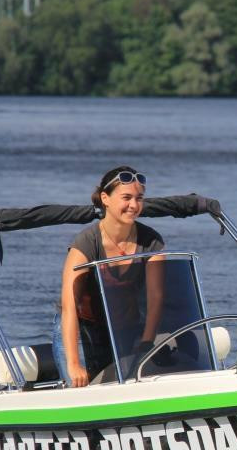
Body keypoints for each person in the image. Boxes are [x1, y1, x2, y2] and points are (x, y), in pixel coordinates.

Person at [52, 166, 165, 387]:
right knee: (82, 389)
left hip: (124, 328)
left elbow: (156, 298)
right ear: (105, 198)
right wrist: (74, 364)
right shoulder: (86, 243)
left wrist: (146, 342)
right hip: (80, 329)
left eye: (139, 198)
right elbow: (69, 306)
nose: (134, 205)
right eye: (126, 198)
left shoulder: (151, 240)